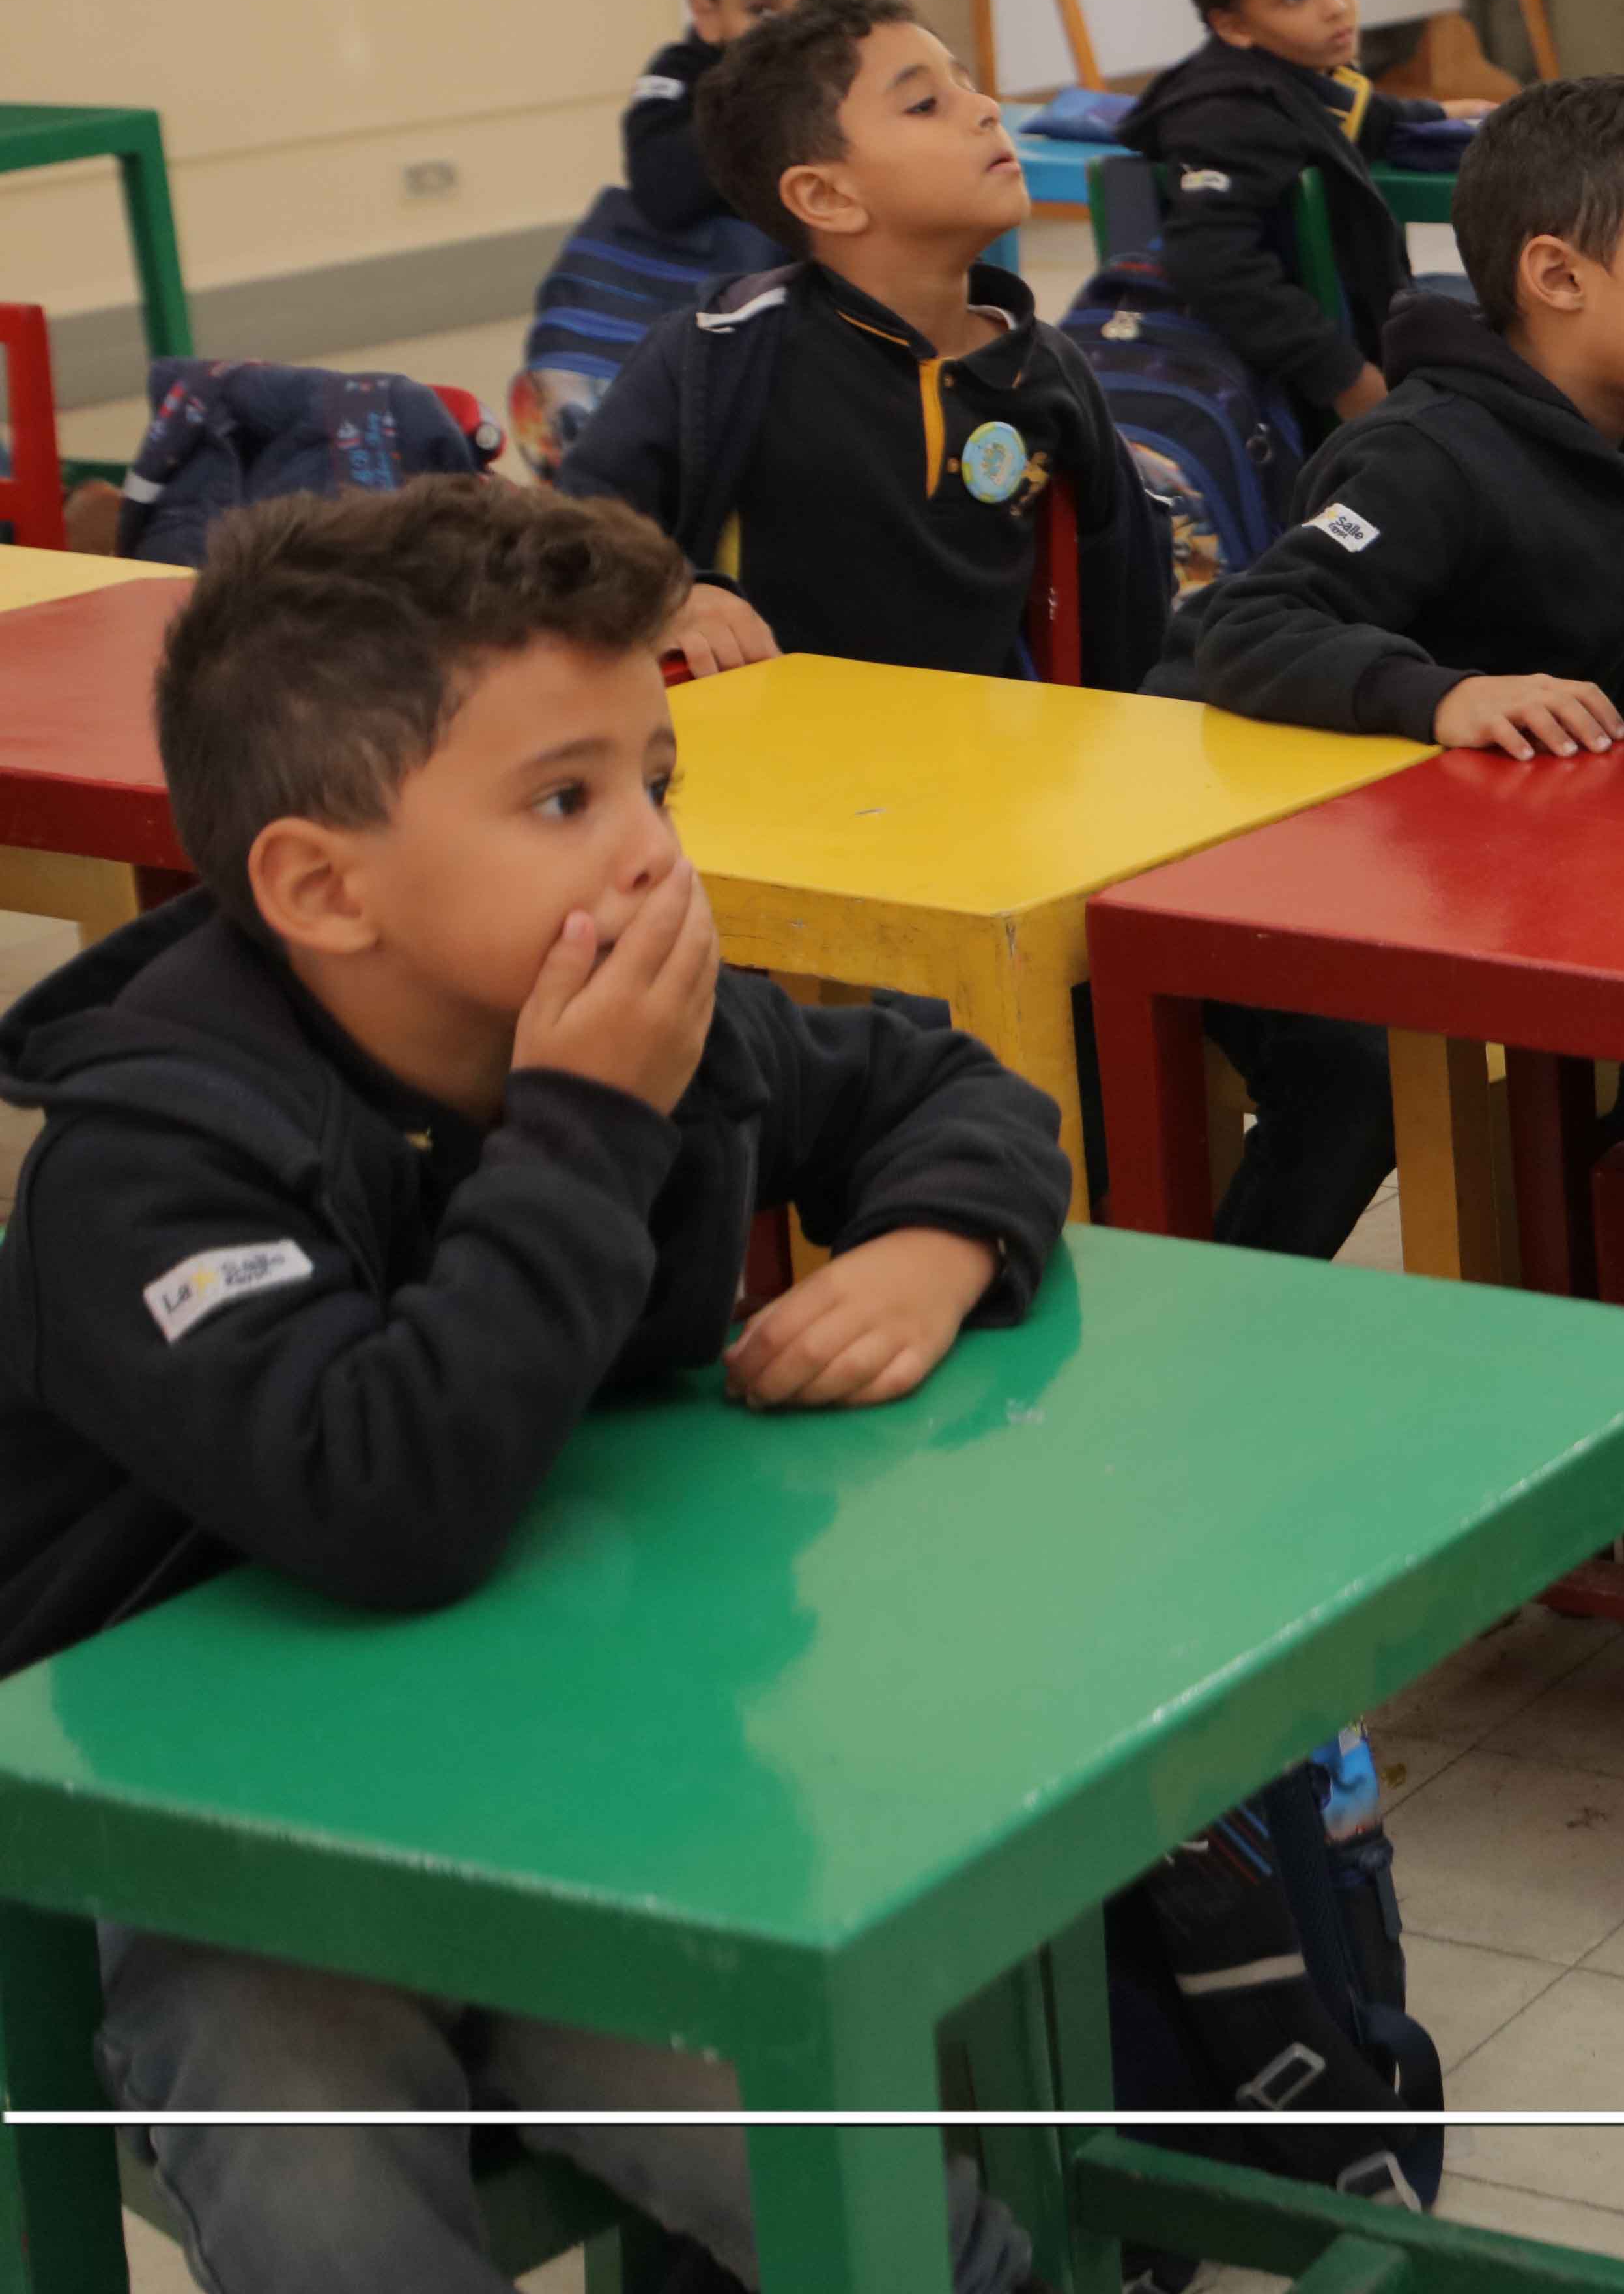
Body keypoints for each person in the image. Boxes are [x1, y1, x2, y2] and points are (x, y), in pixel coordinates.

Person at [0, 476, 1070, 2294]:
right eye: (567, 800)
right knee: (313, 2158)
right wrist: (584, 1129)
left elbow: (947, 1086)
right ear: (321, 886)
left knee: (784, 2119)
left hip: (565, 1771)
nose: (652, 853)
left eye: (659, 780)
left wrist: (934, 1242)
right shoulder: (155, 1164)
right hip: (203, 1842)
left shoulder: (642, 1024)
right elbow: (384, 1502)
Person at [1164, 76, 1624, 1256]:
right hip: (1250, 865)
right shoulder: (1426, 456)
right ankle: (1216, 1331)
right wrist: (1447, 696)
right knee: (1358, 1076)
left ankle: (1619, 1293)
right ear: (1558, 277)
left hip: (1475, 868)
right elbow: (1251, 623)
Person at [560, 0, 1175, 693]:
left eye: (967, 85)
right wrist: (675, 592)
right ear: (826, 196)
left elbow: (1127, 617)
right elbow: (574, 531)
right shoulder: (720, 352)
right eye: (925, 104)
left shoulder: (1048, 372)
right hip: (772, 754)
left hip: (985, 756)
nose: (986, 108)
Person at [1118, 0, 1415, 439]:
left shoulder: (1292, 72)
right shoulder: (1229, 115)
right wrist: (1346, 378)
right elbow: (1212, 261)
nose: (1337, 5)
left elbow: (1356, 116)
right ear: (1233, 26)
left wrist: (1441, 117)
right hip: (1293, 401)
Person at [621, 0, 845, 240]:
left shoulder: (855, 64)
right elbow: (659, 194)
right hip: (736, 264)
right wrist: (758, 100)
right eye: (762, 11)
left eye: (814, 7)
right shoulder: (680, 73)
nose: (793, 29)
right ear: (708, 15)